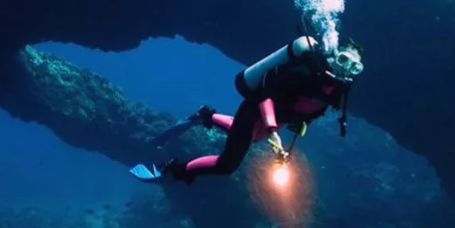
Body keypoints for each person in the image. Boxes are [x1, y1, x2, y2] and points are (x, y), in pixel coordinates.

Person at [140, 34, 363, 184]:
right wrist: (273, 128)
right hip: (255, 110)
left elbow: (309, 109)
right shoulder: (303, 74)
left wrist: (300, 123)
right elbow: (265, 96)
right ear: (334, 55)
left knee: (251, 137)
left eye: (355, 66)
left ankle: (206, 115)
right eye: (343, 60)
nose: (347, 69)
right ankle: (175, 169)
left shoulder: (338, 91)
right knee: (227, 165)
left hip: (277, 119)